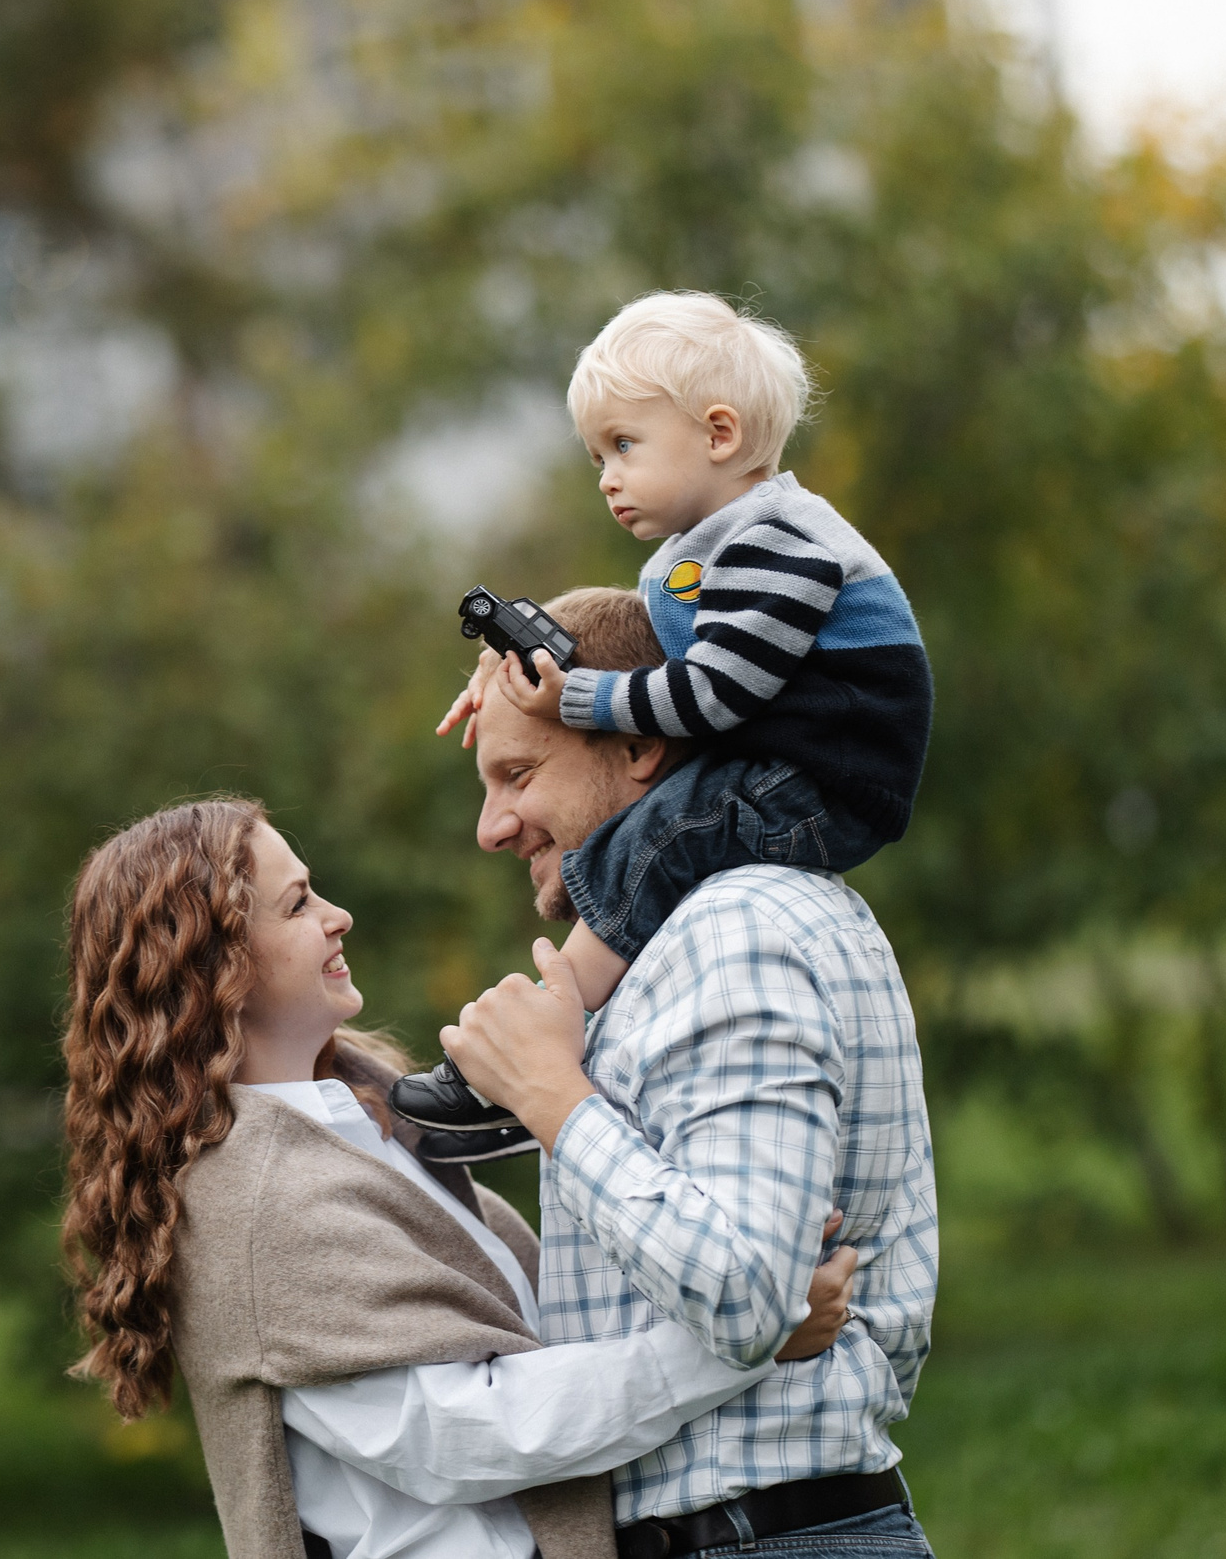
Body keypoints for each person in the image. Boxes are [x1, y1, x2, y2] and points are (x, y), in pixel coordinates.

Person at [58, 797, 859, 1559]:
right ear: (215, 960)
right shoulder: (257, 1197)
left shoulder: (364, 1132)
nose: (337, 916)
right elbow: (469, 1433)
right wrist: (744, 1342)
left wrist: (734, 1249)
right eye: (298, 904)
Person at [439, 589, 939, 1558]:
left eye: (518, 774)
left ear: (636, 744)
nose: (491, 827)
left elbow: (752, 1295)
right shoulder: (695, 933)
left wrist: (553, 1098)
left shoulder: (732, 930)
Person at [396, 293, 931, 1151]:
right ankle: (557, 1047)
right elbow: (638, 646)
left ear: (719, 435)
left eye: (624, 445)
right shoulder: (698, 555)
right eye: (597, 454)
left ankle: (538, 1049)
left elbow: (705, 694)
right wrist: (503, 676)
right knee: (660, 833)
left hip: (827, 775)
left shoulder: (781, 543)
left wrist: (571, 700)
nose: (606, 475)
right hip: (780, 758)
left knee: (653, 840)